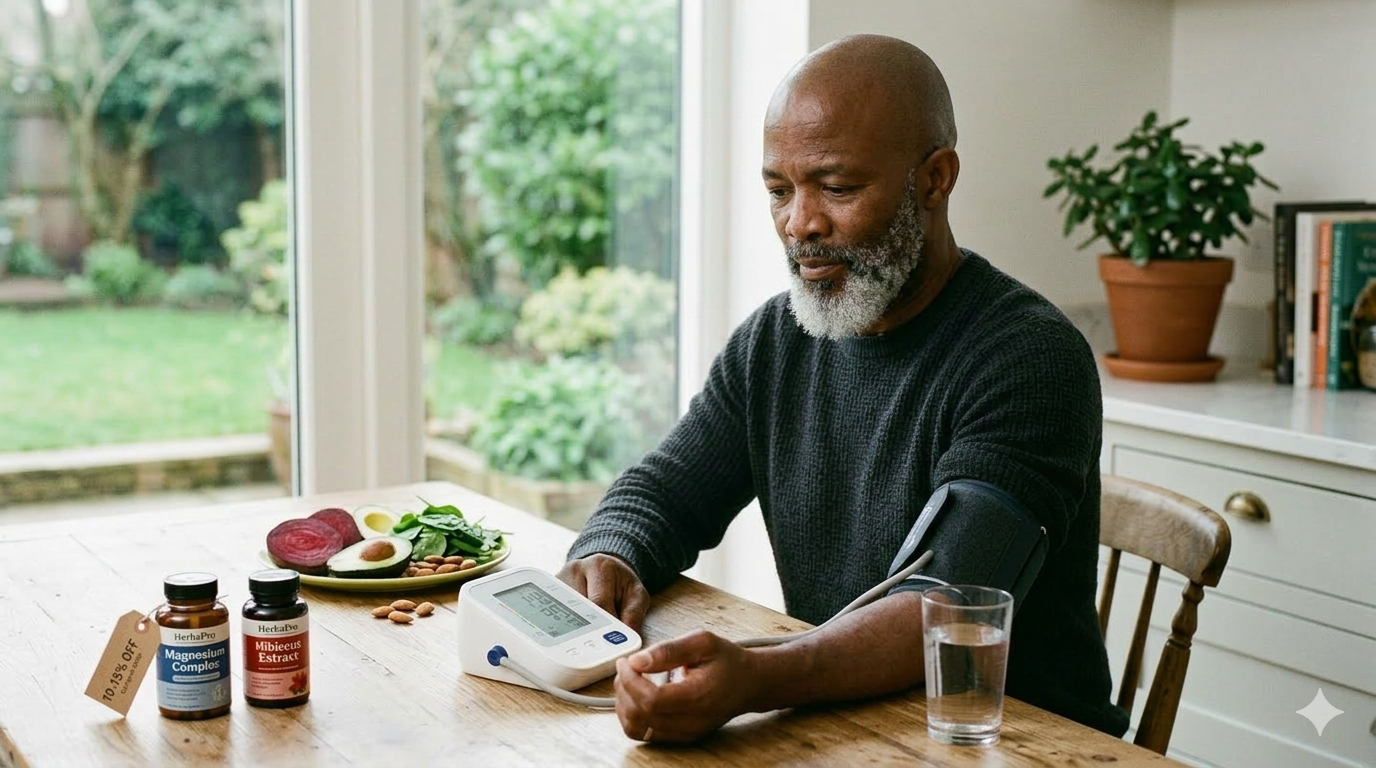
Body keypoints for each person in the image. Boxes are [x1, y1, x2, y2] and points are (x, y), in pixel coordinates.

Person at [557, 33, 1129, 743]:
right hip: (851, 726)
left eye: (837, 187)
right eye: (778, 191)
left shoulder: (1029, 356)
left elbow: (945, 605)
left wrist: (759, 679)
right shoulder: (775, 341)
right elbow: (665, 490)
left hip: (1019, 742)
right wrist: (611, 551)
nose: (800, 224)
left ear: (935, 178)